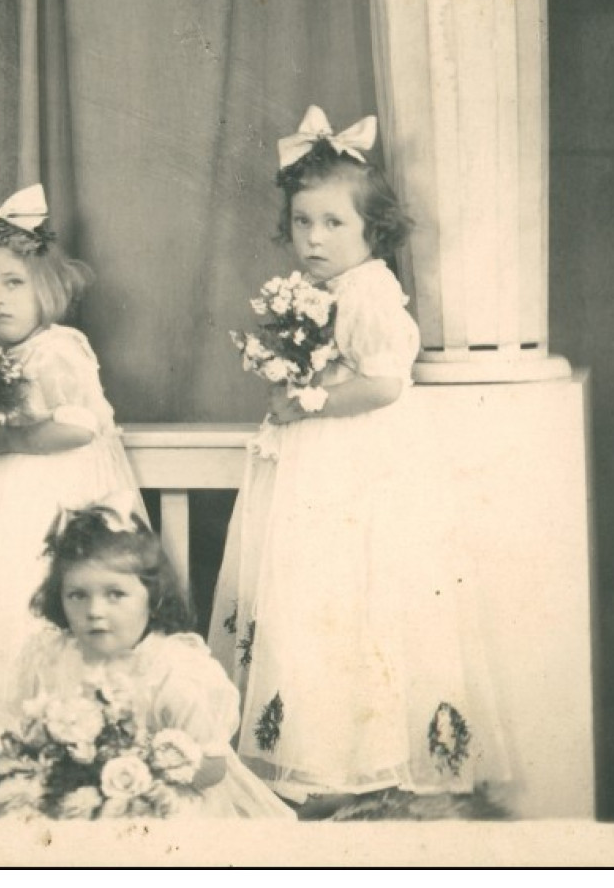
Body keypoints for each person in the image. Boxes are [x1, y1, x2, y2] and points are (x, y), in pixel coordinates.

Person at [206, 107, 508, 813]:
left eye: (332, 224)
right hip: (316, 460)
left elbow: (383, 382)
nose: (312, 238)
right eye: (303, 222)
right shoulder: (320, 290)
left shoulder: (369, 292)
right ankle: (312, 759)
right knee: (308, 598)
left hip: (357, 466)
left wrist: (307, 401)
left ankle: (361, 763)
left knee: (352, 597)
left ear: (372, 231)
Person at [0, 185, 147, 768]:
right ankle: (9, 741)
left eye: (13, 284)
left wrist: (9, 438)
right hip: (0, 507)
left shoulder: (58, 349)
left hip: (56, 501)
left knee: (49, 606)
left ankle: (70, 735)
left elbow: (80, 426)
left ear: (46, 283)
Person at [0, 504, 294, 818]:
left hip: (161, 800)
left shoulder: (173, 672)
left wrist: (146, 763)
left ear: (153, 598)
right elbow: (22, 732)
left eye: (115, 594)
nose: (95, 610)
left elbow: (212, 769)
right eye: (77, 595)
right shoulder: (50, 657)